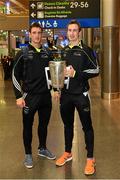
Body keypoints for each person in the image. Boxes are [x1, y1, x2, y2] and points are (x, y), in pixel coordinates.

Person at [54, 20, 99, 175]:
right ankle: (68, 152)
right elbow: (59, 72)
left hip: (81, 95)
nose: (72, 33)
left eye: (75, 30)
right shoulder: (64, 50)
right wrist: (57, 88)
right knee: (67, 125)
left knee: (87, 127)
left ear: (79, 32)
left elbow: (96, 70)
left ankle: (90, 158)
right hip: (66, 95)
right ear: (67, 32)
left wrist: (76, 74)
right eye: (69, 30)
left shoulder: (87, 50)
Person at [12, 22, 56, 169]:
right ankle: (28, 154)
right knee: (27, 126)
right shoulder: (23, 53)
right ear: (30, 34)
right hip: (29, 97)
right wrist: (18, 96)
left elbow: (52, 74)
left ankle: (42, 148)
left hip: (45, 97)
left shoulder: (47, 52)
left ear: (42, 34)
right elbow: (14, 75)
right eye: (34, 33)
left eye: (39, 33)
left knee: (43, 125)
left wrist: (55, 89)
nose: (37, 35)